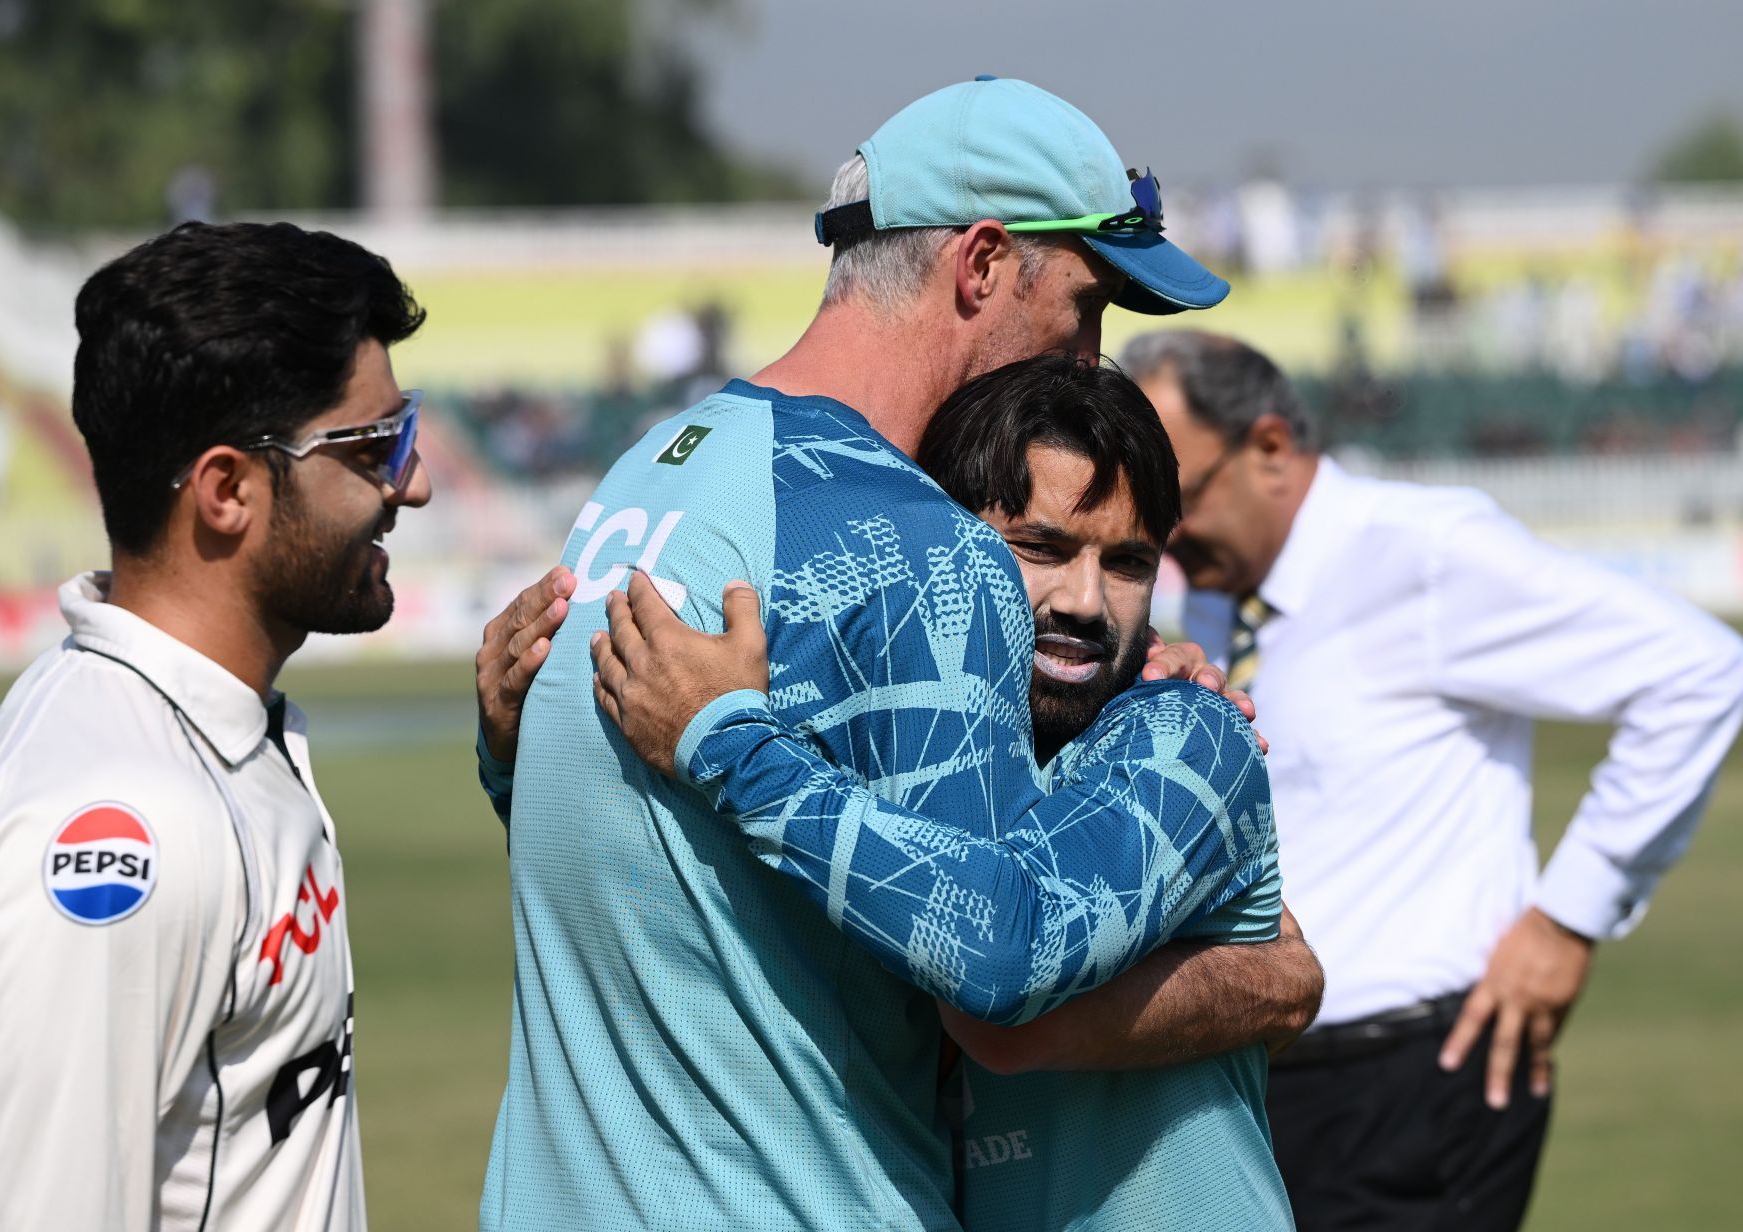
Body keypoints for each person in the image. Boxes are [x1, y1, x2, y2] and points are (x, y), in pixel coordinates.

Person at [471, 77, 1316, 1230]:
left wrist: (500, 752)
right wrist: (1278, 976)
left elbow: (621, 846)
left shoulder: (652, 469)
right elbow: (1002, 971)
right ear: (980, 266)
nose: (1090, 360)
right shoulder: (923, 550)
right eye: (1086, 305)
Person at [1119, 328, 1743, 1230]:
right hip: (1253, 1079)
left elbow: (1700, 672)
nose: (1167, 542)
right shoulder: (1218, 591)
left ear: (1269, 449)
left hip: (1415, 1082)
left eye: (1182, 500)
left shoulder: (1426, 552)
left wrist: (1569, 918)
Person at [0, 221, 432, 1231]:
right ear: (228, 490)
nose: (409, 480)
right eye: (374, 446)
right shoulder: (118, 826)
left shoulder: (203, 729)